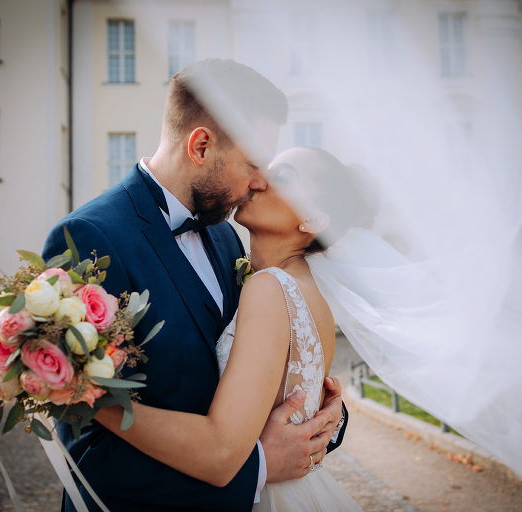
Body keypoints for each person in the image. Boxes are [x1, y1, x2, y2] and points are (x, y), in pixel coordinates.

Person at [41, 60, 346, 512]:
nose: (260, 182)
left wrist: (325, 419)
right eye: (253, 164)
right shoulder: (90, 238)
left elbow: (260, 372)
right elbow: (86, 449)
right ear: (201, 145)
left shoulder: (226, 232)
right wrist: (258, 467)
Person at [95, 146, 365, 511]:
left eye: (283, 177)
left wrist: (93, 400)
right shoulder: (301, 287)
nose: (258, 179)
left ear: (314, 219)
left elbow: (221, 448)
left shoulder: (270, 287)